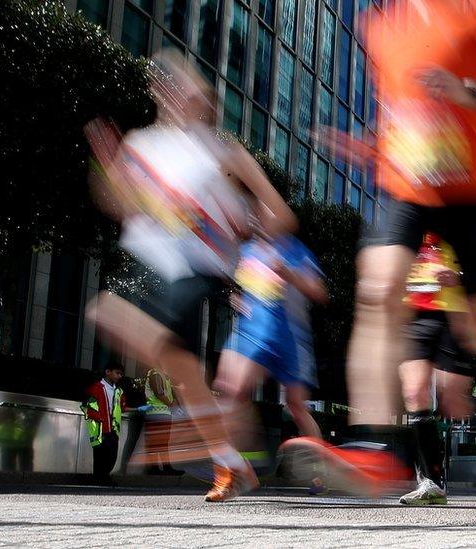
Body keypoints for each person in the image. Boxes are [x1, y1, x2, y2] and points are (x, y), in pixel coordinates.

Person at [315, 0, 476, 491]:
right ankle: (373, 441)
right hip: (408, 187)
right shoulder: (378, 27)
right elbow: (403, 117)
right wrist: (365, 149)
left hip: (466, 195)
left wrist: (472, 92)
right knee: (377, 291)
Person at [83, 51, 296, 501]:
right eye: (173, 85)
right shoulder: (142, 145)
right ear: (160, 92)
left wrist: (253, 229)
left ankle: (197, 437)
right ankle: (231, 462)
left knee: (111, 316)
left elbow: (281, 214)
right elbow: (122, 204)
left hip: (196, 268)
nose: (183, 94)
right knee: (183, 372)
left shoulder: (223, 149)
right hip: (149, 264)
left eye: (191, 87)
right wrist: (109, 169)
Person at [397, 233, 476, 505]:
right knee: (415, 394)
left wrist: (457, 274)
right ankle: (431, 483)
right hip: (415, 317)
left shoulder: (457, 222)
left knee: (453, 403)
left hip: (452, 316)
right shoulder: (408, 225)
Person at [214, 231, 329, 447]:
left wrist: (289, 273)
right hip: (255, 333)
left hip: (292, 338)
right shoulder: (247, 250)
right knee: (231, 390)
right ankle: (232, 459)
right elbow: (233, 284)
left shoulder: (294, 249)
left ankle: (320, 466)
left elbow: (320, 293)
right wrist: (236, 298)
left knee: (296, 406)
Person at [82, 365, 127, 484]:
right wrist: (97, 417)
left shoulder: (119, 391)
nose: (119, 376)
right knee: (100, 453)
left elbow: (122, 408)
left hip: (113, 427)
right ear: (108, 372)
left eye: (121, 374)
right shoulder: (96, 387)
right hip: (99, 426)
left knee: (112, 454)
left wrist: (138, 409)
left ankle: (103, 477)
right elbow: (87, 405)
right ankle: (100, 478)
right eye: (117, 373)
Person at [142, 368, 180, 475]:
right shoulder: (156, 373)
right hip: (156, 413)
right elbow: (159, 393)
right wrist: (172, 405)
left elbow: (168, 392)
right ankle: (158, 468)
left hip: (163, 413)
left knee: (161, 442)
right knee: (157, 442)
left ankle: (162, 467)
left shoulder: (164, 375)